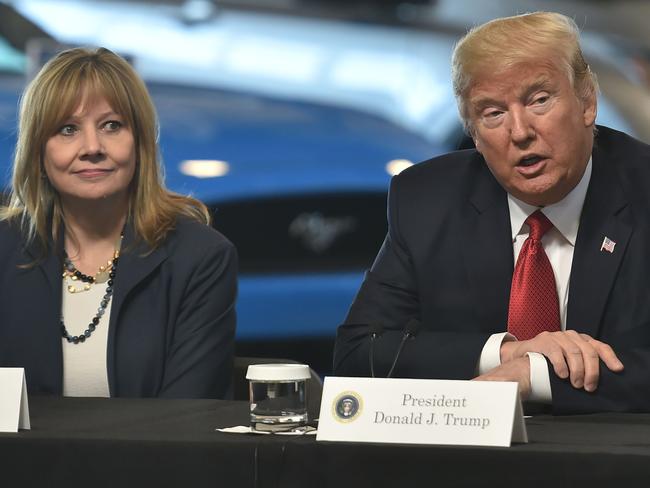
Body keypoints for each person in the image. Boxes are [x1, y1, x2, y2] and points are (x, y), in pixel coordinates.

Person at [333, 12, 650, 414]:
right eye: (493, 113)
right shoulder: (428, 200)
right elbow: (360, 355)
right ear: (474, 133)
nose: (519, 132)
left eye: (539, 100)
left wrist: (533, 376)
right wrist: (505, 353)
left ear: (587, 103)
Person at [0, 47, 237, 399]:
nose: (92, 147)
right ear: (38, 150)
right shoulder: (5, 248)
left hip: (155, 455)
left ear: (140, 141)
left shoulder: (201, 257)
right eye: (67, 129)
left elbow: (185, 422)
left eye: (112, 126)